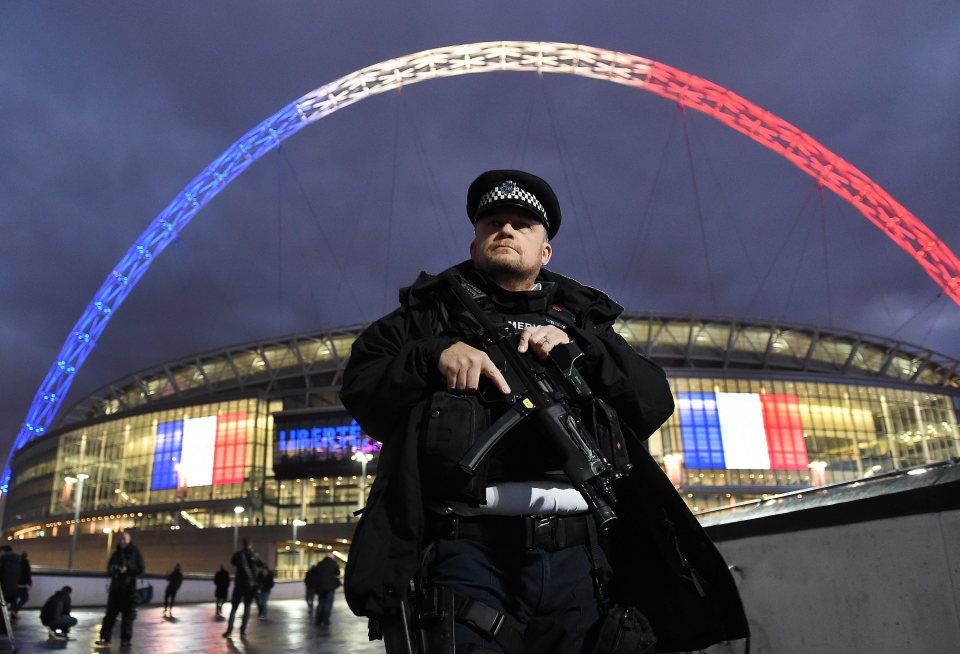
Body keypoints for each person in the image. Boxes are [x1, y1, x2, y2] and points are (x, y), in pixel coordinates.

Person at [340, 170, 749, 652]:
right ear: (474, 245)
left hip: (581, 555)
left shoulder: (581, 320)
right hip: (466, 551)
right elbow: (362, 386)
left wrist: (587, 350)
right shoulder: (426, 316)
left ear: (545, 252)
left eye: (523, 224)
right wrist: (432, 355)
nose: (507, 230)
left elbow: (652, 401)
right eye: (493, 222)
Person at [95, 530, 145, 648]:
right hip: (115, 590)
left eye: (124, 539)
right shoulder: (116, 554)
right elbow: (109, 569)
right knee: (109, 616)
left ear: (129, 540)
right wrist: (116, 569)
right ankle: (105, 638)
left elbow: (141, 569)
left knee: (127, 618)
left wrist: (128, 569)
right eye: (121, 539)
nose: (122, 541)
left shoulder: (136, 553)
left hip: (129, 591)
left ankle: (125, 641)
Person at [222, 538, 263, 638]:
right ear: (251, 544)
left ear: (243, 544)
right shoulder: (255, 554)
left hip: (239, 584)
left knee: (234, 608)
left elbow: (233, 562)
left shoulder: (238, 554)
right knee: (247, 607)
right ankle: (243, 631)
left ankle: (229, 631)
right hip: (250, 585)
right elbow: (261, 564)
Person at [314, 554, 340, 628]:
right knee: (328, 604)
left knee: (321, 603)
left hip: (320, 587)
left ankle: (318, 620)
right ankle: (325, 620)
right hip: (330, 587)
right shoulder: (334, 564)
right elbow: (338, 573)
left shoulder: (320, 563)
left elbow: (315, 573)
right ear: (332, 558)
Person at [13, 551, 31, 618]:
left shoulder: (16, 563)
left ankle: (14, 611)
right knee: (25, 598)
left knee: (14, 599)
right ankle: (15, 611)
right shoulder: (25, 563)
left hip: (15, 584)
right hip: (22, 585)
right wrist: (29, 583)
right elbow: (27, 574)